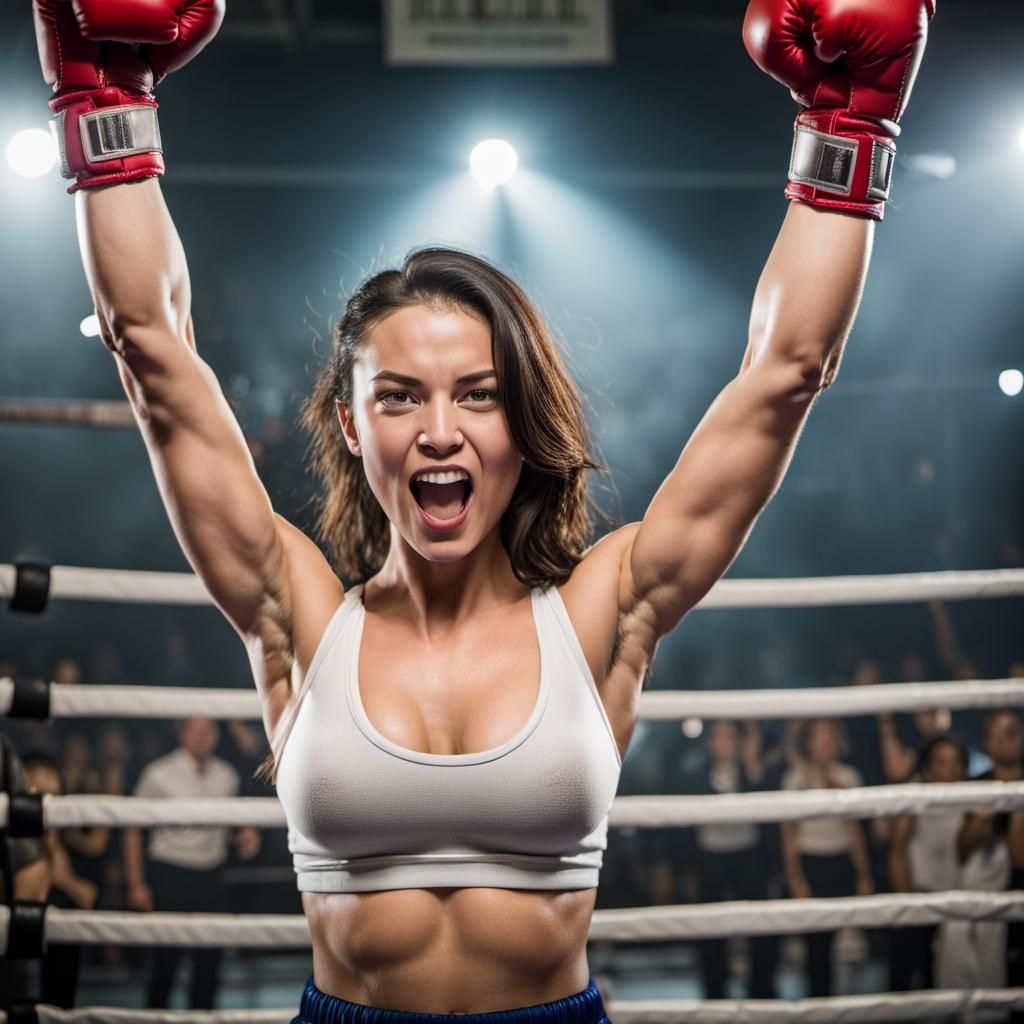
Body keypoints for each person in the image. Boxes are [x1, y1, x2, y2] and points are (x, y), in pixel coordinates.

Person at [31, 0, 935, 1018]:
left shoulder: (606, 609)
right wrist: (104, 111)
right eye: (399, 396)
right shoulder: (295, 613)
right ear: (350, 425)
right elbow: (152, 348)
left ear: (522, 421)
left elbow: (788, 371)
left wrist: (849, 133)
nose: (438, 431)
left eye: (478, 392)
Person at [122, 717, 262, 1008]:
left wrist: (245, 832)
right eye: (196, 730)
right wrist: (135, 883)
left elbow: (235, 820)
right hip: (170, 873)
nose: (203, 737)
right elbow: (131, 827)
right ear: (182, 733)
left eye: (209, 730)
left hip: (212, 875)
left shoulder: (225, 774)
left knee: (209, 964)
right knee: (164, 965)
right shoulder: (158, 773)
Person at [936, 709, 1024, 1010]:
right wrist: (981, 819)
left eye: (1010, 733)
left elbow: (1021, 857)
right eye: (995, 735)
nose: (1003, 742)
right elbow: (961, 850)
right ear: (986, 742)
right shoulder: (976, 786)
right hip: (989, 906)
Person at [684, 721, 778, 999]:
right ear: (710, 743)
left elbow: (770, 808)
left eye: (730, 736)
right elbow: (684, 827)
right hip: (709, 856)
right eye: (719, 736)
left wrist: (751, 768)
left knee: (758, 922)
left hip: (748, 854)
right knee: (711, 926)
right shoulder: (695, 774)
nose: (725, 742)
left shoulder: (751, 771)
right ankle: (715, 985)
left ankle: (762, 983)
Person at [781, 718, 874, 997]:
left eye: (830, 736)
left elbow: (856, 833)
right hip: (811, 862)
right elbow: (789, 836)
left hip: (842, 861)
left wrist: (863, 875)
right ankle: (818, 1007)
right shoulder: (795, 780)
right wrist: (795, 878)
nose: (825, 743)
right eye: (819, 737)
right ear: (808, 743)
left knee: (849, 947)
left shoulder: (850, 777)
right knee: (815, 948)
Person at [887, 734, 968, 993]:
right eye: (941, 762)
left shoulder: (972, 800)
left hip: (956, 900)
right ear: (929, 767)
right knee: (908, 977)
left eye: (955, 763)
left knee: (946, 979)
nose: (948, 770)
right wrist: (907, 902)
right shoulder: (917, 798)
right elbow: (897, 850)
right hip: (919, 896)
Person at [21, 752, 99, 1008]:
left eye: (54, 796)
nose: (47, 804)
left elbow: (87, 897)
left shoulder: (70, 839)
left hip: (60, 961)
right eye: (39, 794)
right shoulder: (9, 840)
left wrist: (61, 876)